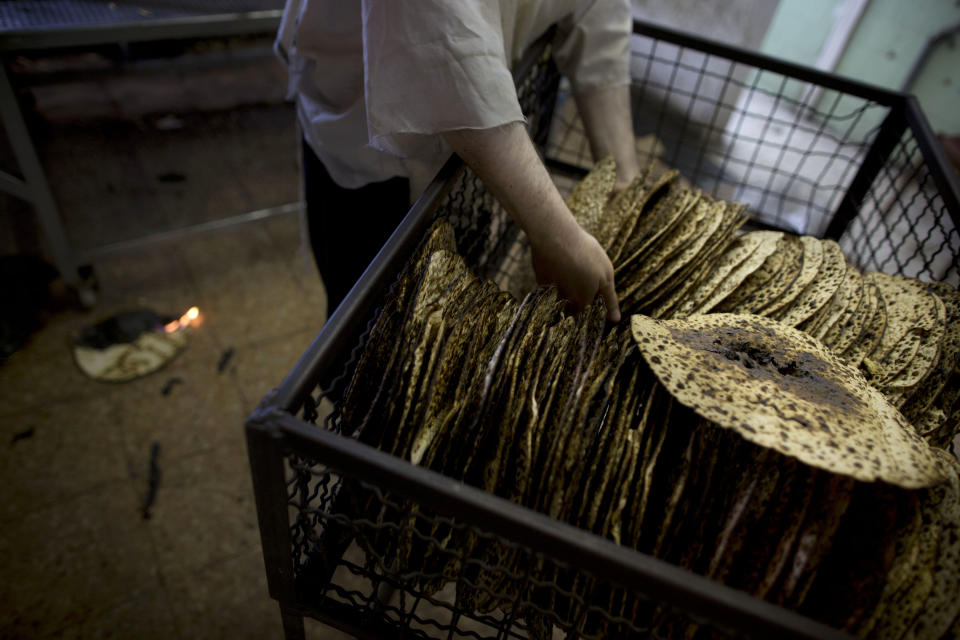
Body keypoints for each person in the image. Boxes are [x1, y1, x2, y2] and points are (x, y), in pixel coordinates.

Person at [276, 0, 639, 322]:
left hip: (472, 144)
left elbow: (597, 8)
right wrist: (560, 238)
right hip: (373, 147)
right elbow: (439, 36)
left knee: (449, 315)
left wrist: (624, 178)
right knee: (368, 342)